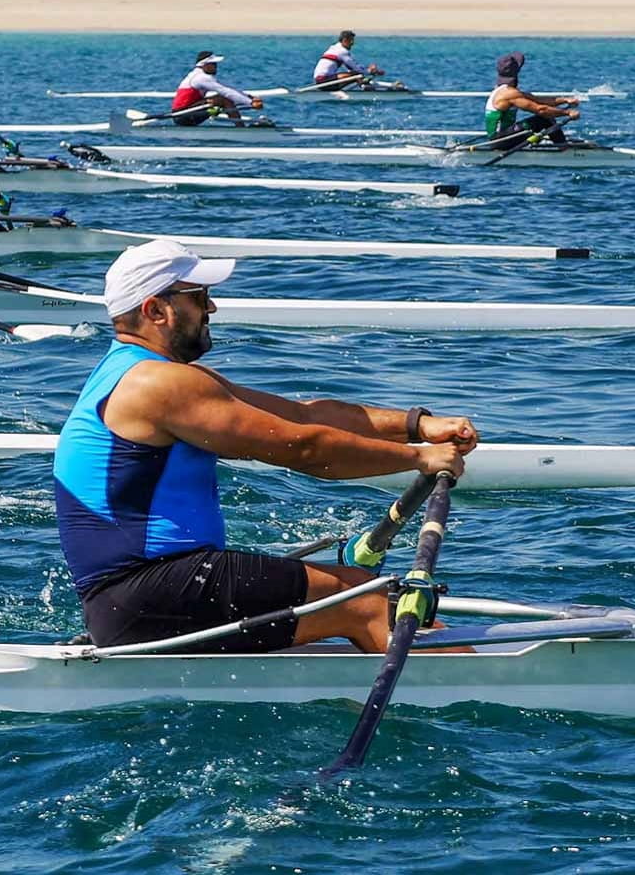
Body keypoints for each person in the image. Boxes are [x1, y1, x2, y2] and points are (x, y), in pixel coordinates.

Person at [54, 239, 478, 654]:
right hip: (149, 594)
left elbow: (305, 416)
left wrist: (417, 425)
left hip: (141, 597)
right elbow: (303, 448)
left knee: (352, 588)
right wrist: (419, 458)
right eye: (199, 297)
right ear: (155, 310)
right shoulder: (158, 384)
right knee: (365, 599)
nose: (212, 308)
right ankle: (474, 690)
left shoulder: (143, 373)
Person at [484, 52, 581, 150]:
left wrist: (565, 100)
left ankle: (562, 147)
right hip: (500, 141)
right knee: (545, 119)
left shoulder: (504, 90)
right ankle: (565, 151)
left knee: (545, 119)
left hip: (504, 136)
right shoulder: (510, 94)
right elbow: (541, 109)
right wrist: (567, 113)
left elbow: (539, 100)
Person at [170, 52, 262, 126]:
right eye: (213, 64)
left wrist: (250, 98)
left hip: (189, 112)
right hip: (181, 116)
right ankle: (241, 129)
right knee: (223, 99)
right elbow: (225, 91)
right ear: (204, 65)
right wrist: (250, 103)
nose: (216, 66)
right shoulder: (200, 78)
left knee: (222, 98)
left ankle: (239, 126)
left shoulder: (202, 75)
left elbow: (228, 88)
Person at [311, 31, 385, 90]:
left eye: (353, 40)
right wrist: (372, 71)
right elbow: (356, 69)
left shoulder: (335, 48)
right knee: (357, 75)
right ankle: (368, 90)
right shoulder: (341, 51)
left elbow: (352, 68)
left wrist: (367, 70)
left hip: (321, 80)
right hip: (324, 81)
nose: (352, 43)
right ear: (344, 40)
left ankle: (366, 87)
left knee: (356, 74)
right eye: (350, 41)